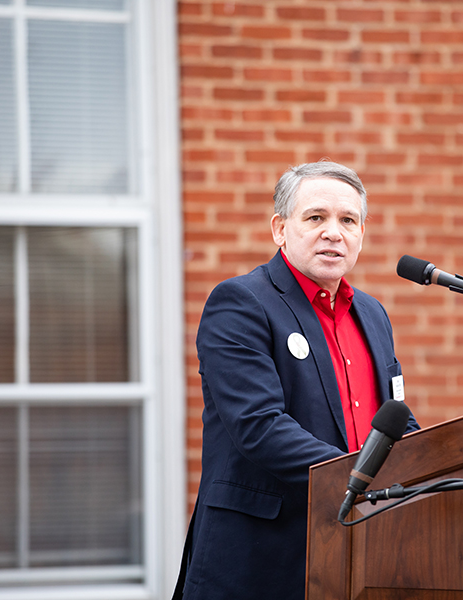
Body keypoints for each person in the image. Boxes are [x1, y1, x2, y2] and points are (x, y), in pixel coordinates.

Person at [172, 161, 419, 600]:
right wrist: (361, 480)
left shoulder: (374, 315)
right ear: (280, 229)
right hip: (260, 559)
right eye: (315, 217)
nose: (333, 232)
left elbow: (395, 418)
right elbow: (259, 425)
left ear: (362, 232)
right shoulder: (241, 303)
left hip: (358, 550)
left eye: (348, 220)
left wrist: (432, 471)